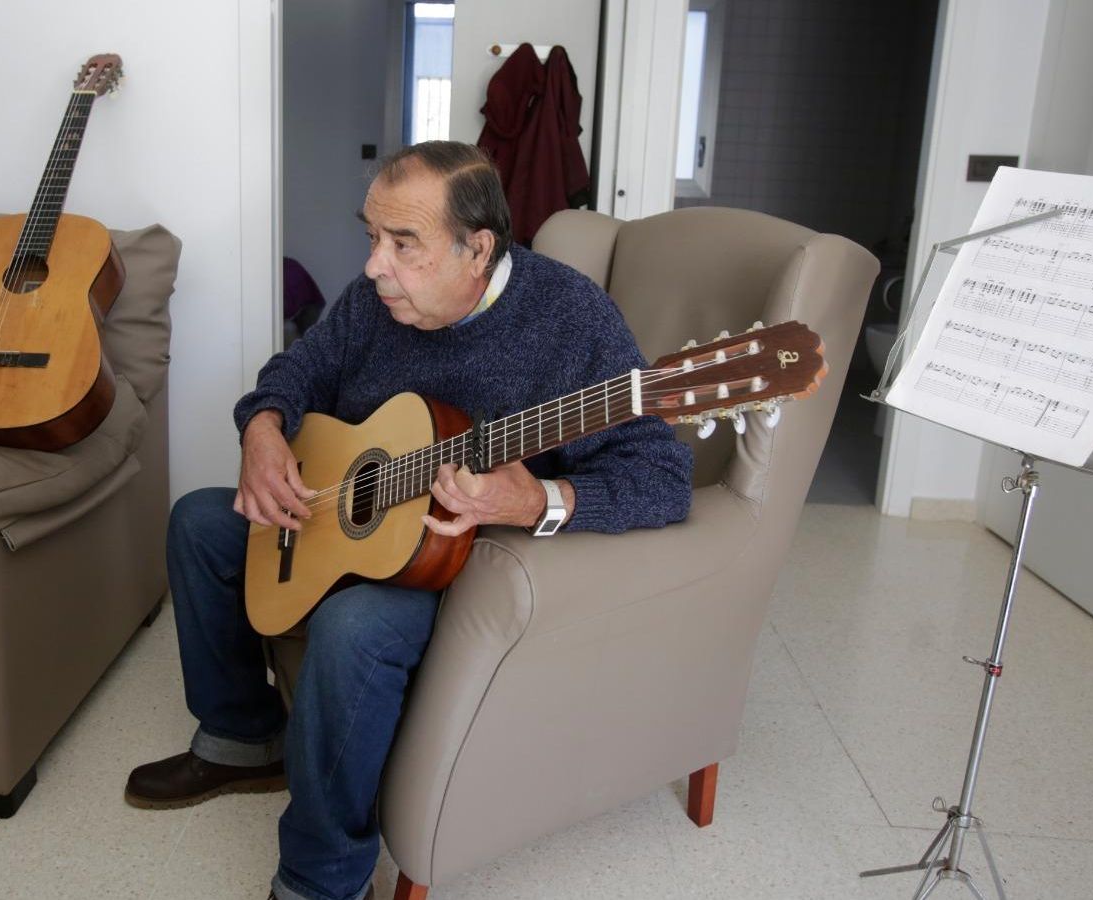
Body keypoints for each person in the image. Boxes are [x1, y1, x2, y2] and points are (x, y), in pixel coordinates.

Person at [126, 141, 694, 900]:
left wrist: (534, 502)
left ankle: (322, 879)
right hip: (347, 509)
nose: (372, 267)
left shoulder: (570, 319)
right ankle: (240, 738)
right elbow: (299, 368)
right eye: (371, 237)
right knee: (199, 522)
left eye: (403, 245)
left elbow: (663, 477)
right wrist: (263, 428)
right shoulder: (374, 301)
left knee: (356, 626)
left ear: (477, 249)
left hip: (459, 562)